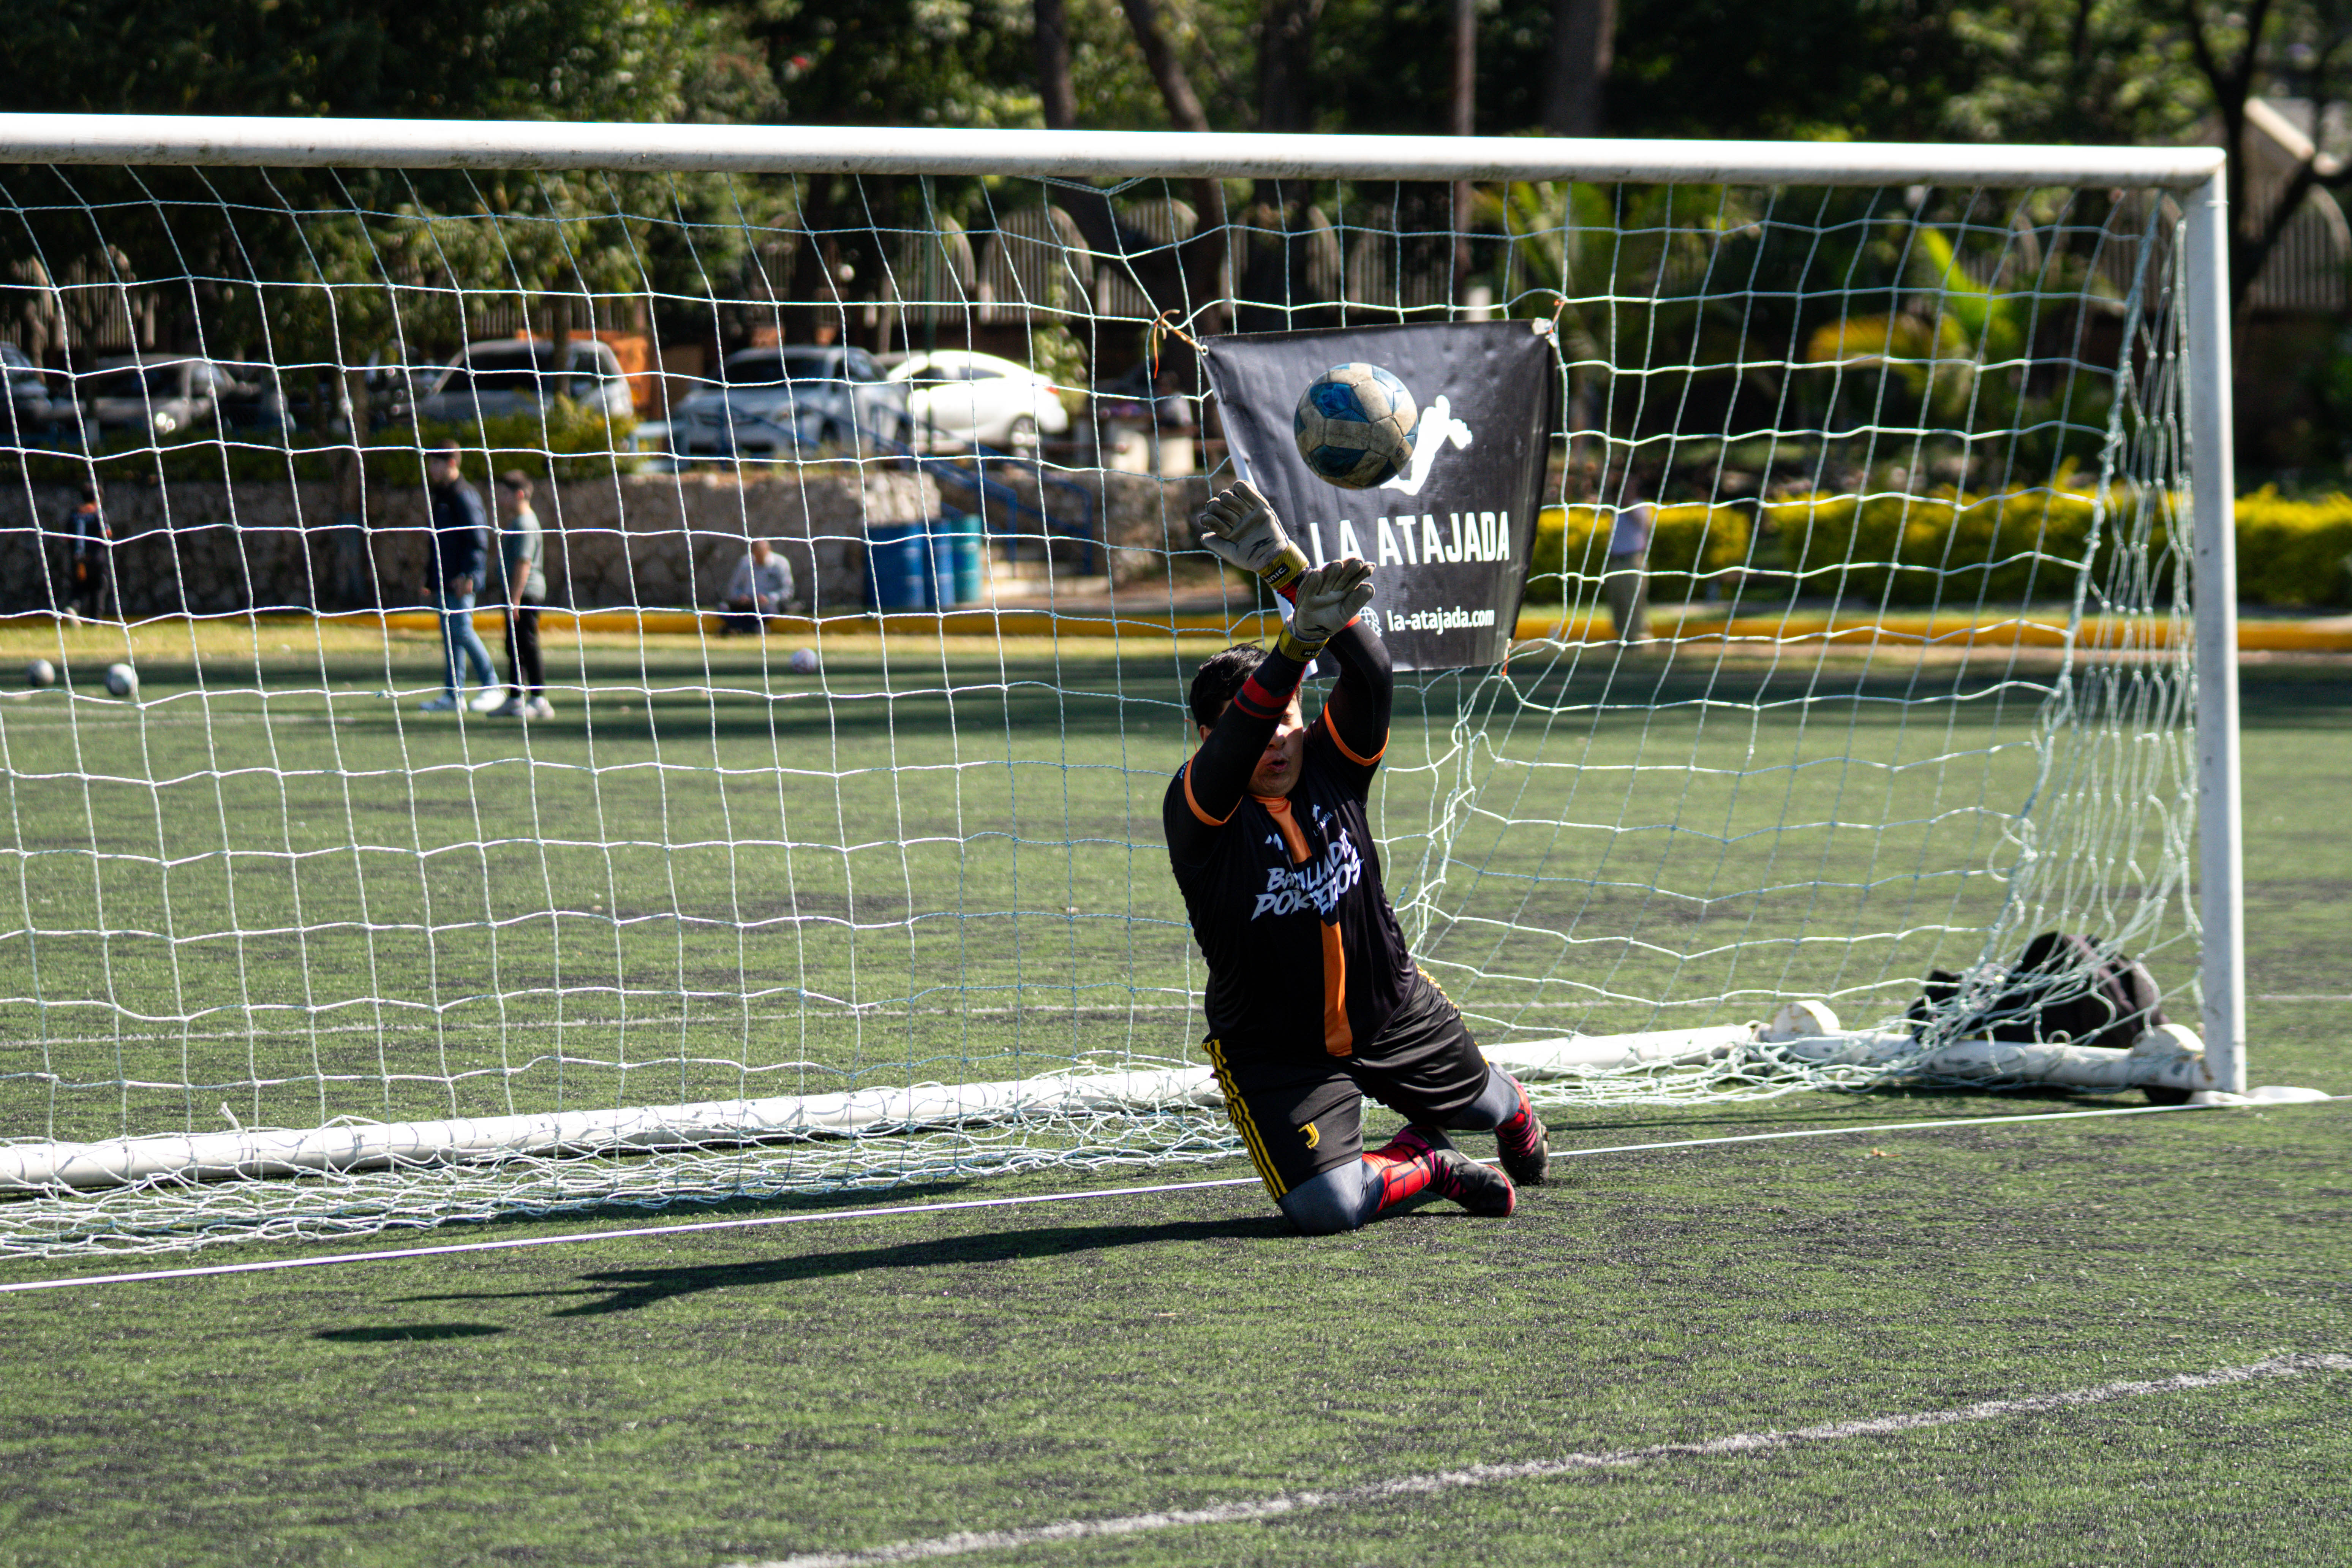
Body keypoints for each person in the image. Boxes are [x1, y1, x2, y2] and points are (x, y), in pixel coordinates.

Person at [1168, 481, 1550, 1236]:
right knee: (1325, 1208)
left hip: (1392, 1009)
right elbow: (1244, 731)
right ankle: (1427, 1162)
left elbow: (1371, 675)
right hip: (1275, 1052)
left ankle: (1512, 1106)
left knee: (1486, 1105)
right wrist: (1292, 648)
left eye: (1289, 717)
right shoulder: (1198, 807)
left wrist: (1287, 572)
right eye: (1254, 727)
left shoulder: (1331, 763)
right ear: (1208, 739)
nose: (1277, 737)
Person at [419, 442, 502, 713]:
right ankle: (454, 695)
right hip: (445, 579)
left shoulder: (463, 495)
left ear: (452, 464)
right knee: (450, 636)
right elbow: (439, 542)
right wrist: (430, 579)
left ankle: (493, 685)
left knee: (461, 630)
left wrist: (470, 574)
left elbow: (478, 538)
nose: (431, 468)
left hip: (461, 580)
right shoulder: (442, 495)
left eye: (436, 462)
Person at [493, 470, 552, 719]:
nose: (500, 499)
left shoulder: (526, 523)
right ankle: (516, 698)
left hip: (526, 593)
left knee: (527, 643)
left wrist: (515, 597)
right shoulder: (517, 522)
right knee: (514, 646)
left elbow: (524, 562)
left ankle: (539, 700)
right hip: (518, 593)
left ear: (519, 494)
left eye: (504, 494)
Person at [1602, 476, 1653, 647]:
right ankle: (1622, 638)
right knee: (1618, 602)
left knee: (1633, 603)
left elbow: (1644, 524)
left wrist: (1629, 501)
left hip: (1633, 561)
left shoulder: (1639, 506)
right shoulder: (1617, 510)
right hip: (1617, 561)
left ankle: (1638, 639)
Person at [56, 478, 112, 623]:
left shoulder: (74, 514)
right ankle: (95, 621)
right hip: (96, 560)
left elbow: (67, 538)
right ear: (97, 498)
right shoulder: (98, 513)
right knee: (99, 588)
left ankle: (73, 609)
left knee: (79, 588)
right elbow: (106, 533)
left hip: (78, 560)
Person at [721, 537, 793, 634]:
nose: (759, 557)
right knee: (723, 608)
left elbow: (788, 591)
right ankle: (751, 629)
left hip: (766, 606)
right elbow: (734, 587)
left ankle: (739, 628)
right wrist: (740, 597)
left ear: (769, 551)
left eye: (762, 553)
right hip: (747, 604)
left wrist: (769, 598)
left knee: (769, 611)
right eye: (757, 553)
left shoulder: (781, 564)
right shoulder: (745, 563)